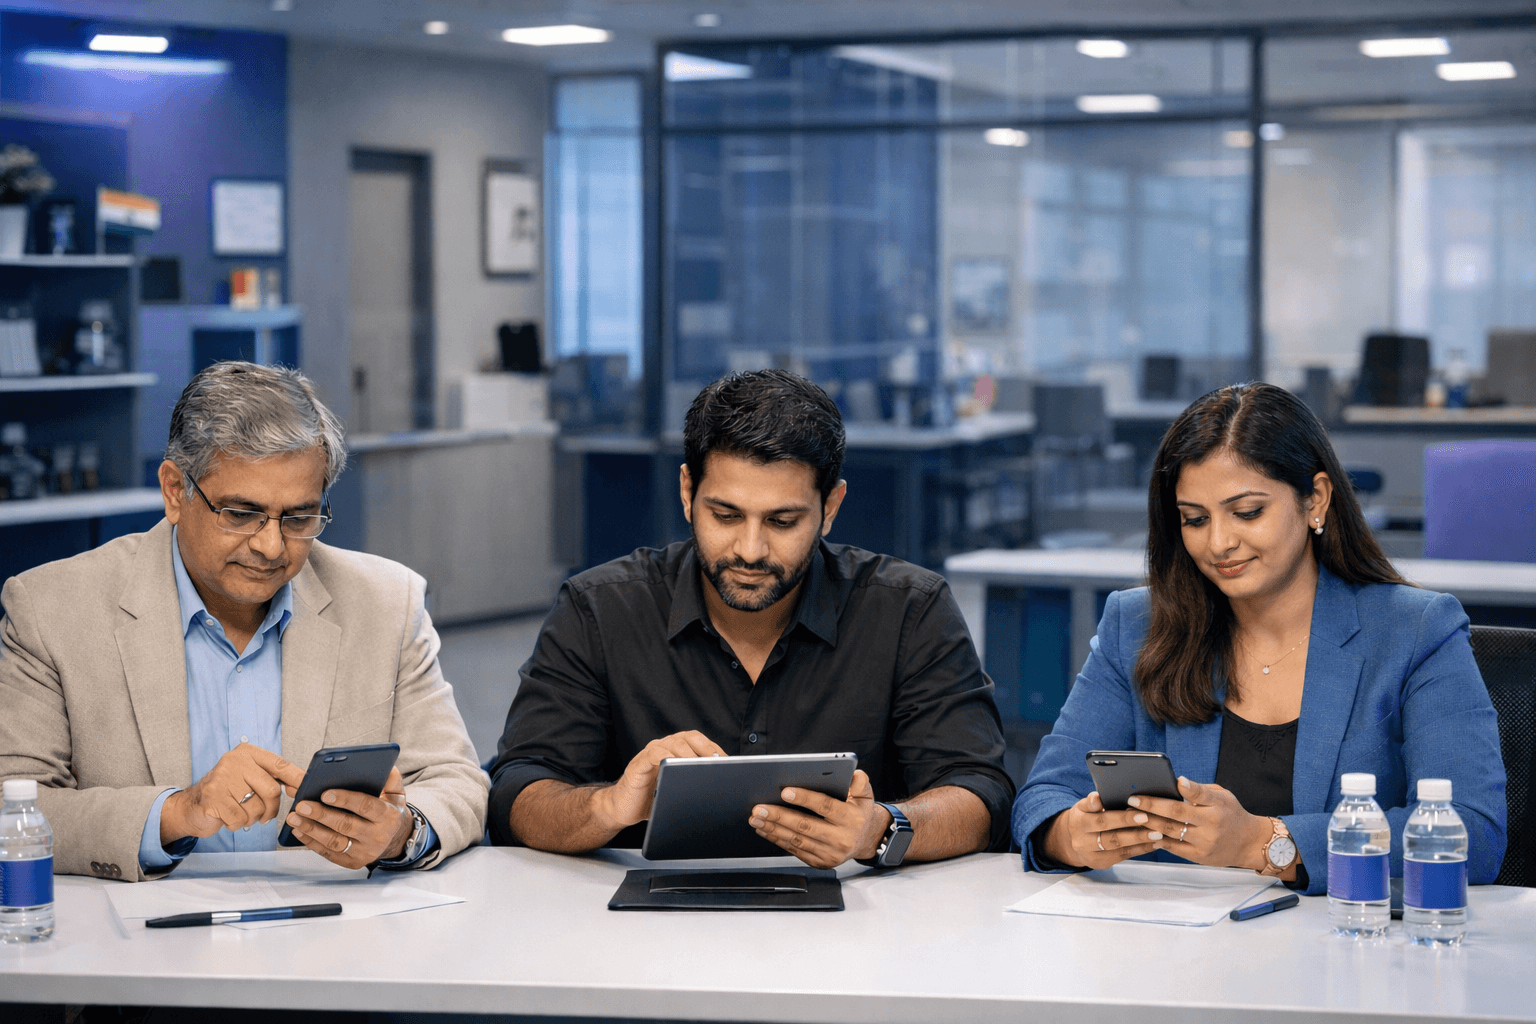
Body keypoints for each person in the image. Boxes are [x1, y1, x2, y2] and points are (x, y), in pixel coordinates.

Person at [491, 369, 1014, 867]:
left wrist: (879, 829)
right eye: (725, 515)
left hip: (857, 927)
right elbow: (516, 793)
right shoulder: (599, 609)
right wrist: (609, 806)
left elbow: (981, 793)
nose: (750, 549)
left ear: (830, 508)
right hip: (640, 932)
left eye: (783, 521)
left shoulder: (909, 611)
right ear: (686, 492)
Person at [1012, 382, 1506, 894]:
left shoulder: (1416, 631)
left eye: (1247, 512)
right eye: (1195, 519)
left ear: (1315, 500)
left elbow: (1473, 833)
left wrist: (1261, 843)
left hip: (1348, 946)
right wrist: (1070, 835)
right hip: (1173, 954)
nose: (1219, 542)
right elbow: (1042, 798)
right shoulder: (1135, 624)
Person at [0, 362, 487, 880]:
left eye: (299, 518)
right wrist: (175, 813)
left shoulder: (385, 602)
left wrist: (399, 832)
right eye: (240, 513)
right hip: (142, 935)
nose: (271, 546)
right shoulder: (52, 608)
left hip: (332, 936)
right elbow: (14, 802)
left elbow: (456, 779)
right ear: (174, 491)